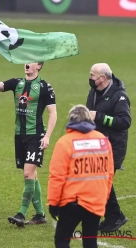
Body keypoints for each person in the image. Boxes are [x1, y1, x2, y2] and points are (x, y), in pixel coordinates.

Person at [0, 62, 57, 227]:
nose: (26, 64)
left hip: (36, 136)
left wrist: (47, 136)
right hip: (19, 136)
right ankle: (40, 214)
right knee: (32, 175)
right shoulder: (16, 83)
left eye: (31, 61)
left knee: (28, 173)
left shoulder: (45, 87)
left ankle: (21, 213)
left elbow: (53, 113)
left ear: (39, 66)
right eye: (25, 61)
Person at [48, 104, 114, 248]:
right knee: (90, 242)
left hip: (72, 202)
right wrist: (105, 197)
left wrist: (53, 203)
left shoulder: (65, 142)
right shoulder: (103, 141)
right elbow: (109, 174)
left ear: (71, 120)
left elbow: (57, 176)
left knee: (62, 239)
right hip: (96, 201)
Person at [86, 63, 131, 232]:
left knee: (101, 181)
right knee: (98, 180)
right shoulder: (94, 91)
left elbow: (125, 122)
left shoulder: (119, 97)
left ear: (102, 78)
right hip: (96, 144)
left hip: (113, 146)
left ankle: (114, 216)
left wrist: (99, 116)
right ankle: (113, 216)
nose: (90, 78)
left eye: (92, 75)